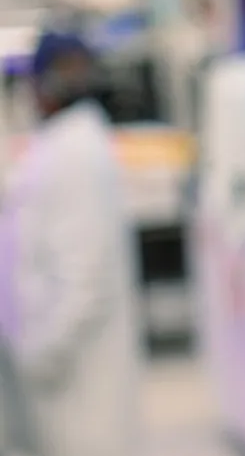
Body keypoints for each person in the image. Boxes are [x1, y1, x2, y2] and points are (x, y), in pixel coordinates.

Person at [0, 32, 142, 456]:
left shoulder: (75, 153)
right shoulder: (59, 145)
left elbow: (84, 276)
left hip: (72, 372)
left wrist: (42, 354)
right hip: (53, 362)